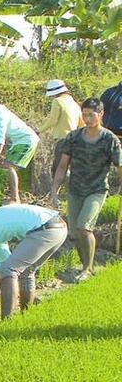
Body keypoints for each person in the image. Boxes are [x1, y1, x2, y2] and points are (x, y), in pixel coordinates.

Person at [49, 98, 122, 281]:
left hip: (96, 189)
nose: (88, 119)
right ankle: (85, 266)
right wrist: (54, 190)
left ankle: (87, 269)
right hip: (75, 189)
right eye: (85, 115)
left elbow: (120, 166)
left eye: (91, 115)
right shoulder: (73, 137)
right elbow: (62, 166)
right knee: (74, 233)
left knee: (84, 227)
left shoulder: (109, 139)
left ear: (101, 114)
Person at [0, 92, 40, 203]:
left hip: (25, 141)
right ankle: (11, 195)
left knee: (9, 166)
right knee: (6, 165)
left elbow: (0, 140)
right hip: (19, 140)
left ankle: (15, 198)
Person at [38, 78, 83, 176]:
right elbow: (81, 124)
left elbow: (52, 121)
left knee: (58, 169)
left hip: (63, 140)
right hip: (75, 139)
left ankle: (56, 191)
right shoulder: (74, 104)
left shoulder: (57, 101)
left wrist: (38, 130)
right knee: (69, 169)